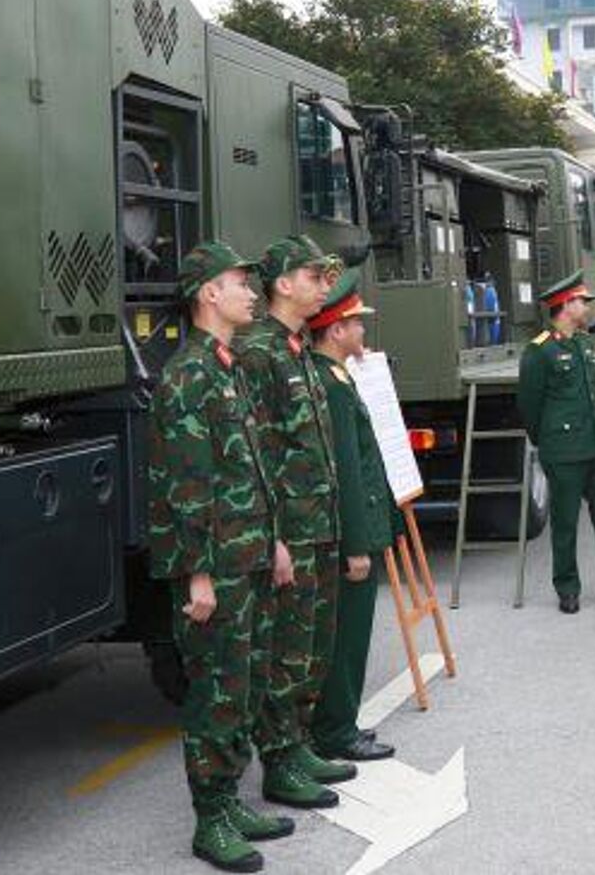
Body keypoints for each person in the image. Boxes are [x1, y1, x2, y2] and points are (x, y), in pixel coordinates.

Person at [148, 241, 294, 872]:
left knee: (247, 682)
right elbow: (183, 484)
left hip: (250, 554)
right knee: (216, 691)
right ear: (209, 293)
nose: (252, 294)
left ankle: (230, 800)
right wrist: (197, 574)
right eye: (240, 283)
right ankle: (210, 820)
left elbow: (252, 467)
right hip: (216, 566)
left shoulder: (228, 365)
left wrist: (276, 541)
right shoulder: (187, 375)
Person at [236, 236, 357, 809]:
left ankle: (298, 741)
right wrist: (275, 535)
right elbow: (256, 451)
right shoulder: (259, 352)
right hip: (292, 528)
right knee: (285, 649)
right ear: (283, 284)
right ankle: (279, 760)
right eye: (313, 276)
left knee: (311, 647)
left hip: (319, 521)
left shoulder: (295, 348)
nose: (323, 285)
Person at [305, 268, 399, 765]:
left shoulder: (337, 377)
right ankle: (336, 730)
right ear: (337, 330)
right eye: (357, 324)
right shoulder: (333, 386)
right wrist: (357, 546)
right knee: (347, 641)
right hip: (351, 535)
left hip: (357, 527)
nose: (364, 331)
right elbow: (344, 470)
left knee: (350, 636)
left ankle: (338, 724)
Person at [517, 271, 595, 614]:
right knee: (566, 524)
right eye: (581, 302)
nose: (586, 307)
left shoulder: (584, 345)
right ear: (566, 305)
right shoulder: (540, 351)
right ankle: (567, 589)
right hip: (565, 451)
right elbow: (529, 405)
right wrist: (550, 442)